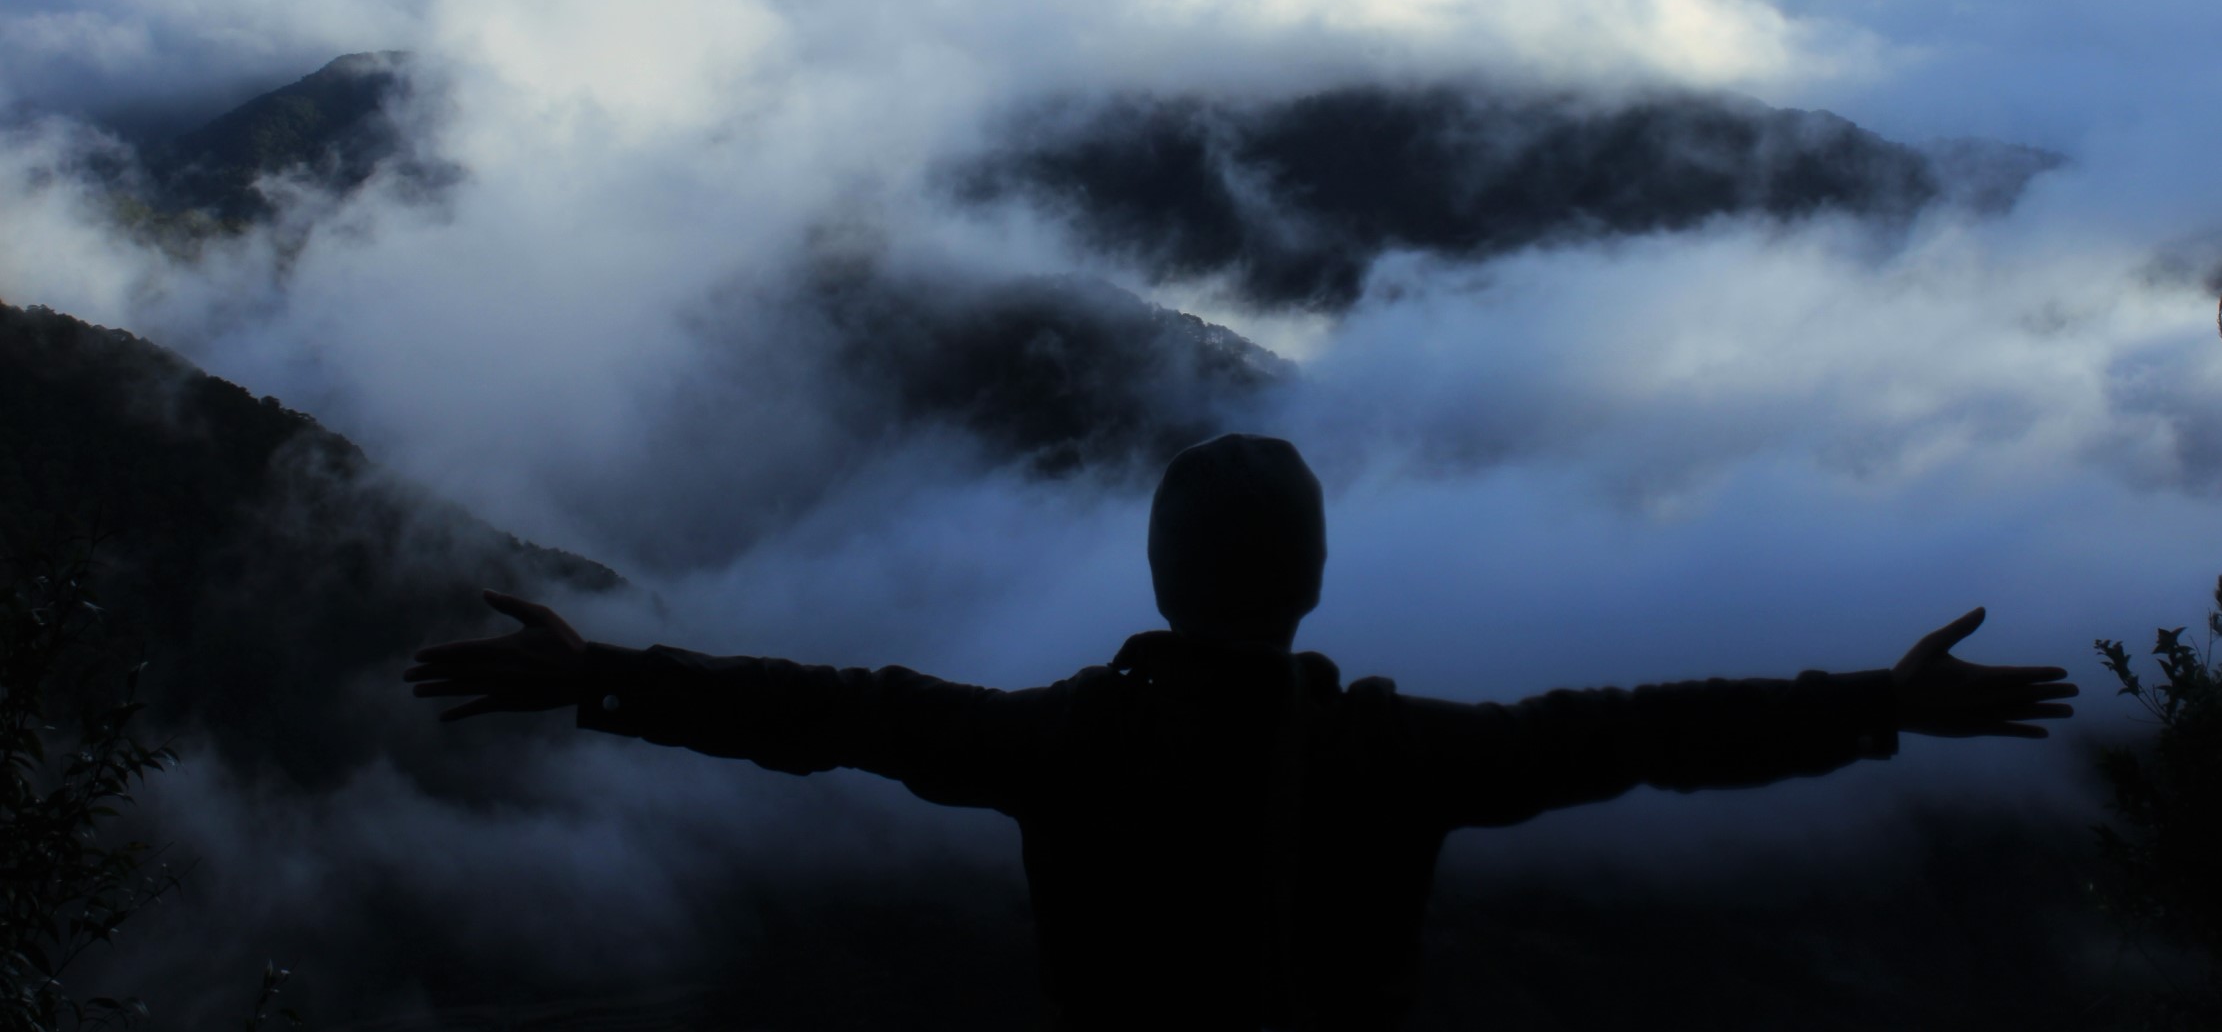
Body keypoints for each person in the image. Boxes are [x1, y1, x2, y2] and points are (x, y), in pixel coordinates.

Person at [406, 434, 2075, 1031]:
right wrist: (1883, 702)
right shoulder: (1388, 757)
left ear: (1150, 568)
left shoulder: (1063, 742)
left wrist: (606, 671)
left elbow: (837, 715)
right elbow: (1636, 731)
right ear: (1319, 580)